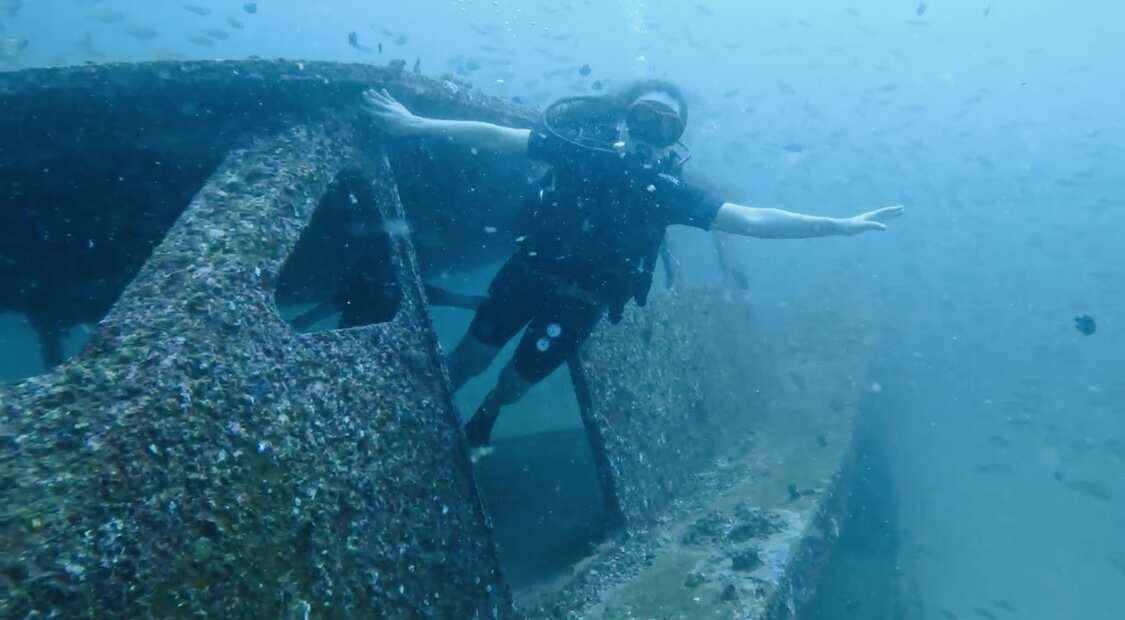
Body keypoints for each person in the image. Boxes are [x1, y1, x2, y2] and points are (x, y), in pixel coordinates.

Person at [362, 80, 904, 455]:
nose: (650, 129)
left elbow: (753, 219)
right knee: (469, 359)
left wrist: (839, 223)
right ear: (626, 118)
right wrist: (415, 124)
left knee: (516, 383)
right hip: (525, 278)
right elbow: (498, 138)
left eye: (664, 124)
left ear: (676, 137)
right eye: (643, 115)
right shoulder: (581, 152)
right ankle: (416, 427)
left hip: (578, 306)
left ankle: (487, 417)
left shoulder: (670, 194)